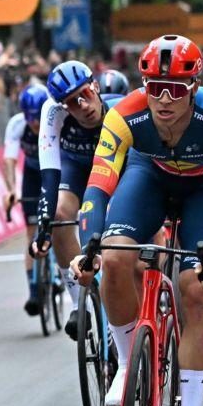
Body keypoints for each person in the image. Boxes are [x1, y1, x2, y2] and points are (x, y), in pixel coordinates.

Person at [72, 35, 203, 406]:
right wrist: (87, 245)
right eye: (154, 86)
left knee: (195, 290)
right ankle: (127, 365)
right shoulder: (125, 112)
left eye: (177, 89)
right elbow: (98, 183)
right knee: (113, 258)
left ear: (195, 86)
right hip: (149, 177)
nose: (164, 99)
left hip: (202, 190)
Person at [34, 60, 122, 339]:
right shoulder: (52, 113)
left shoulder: (119, 107)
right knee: (60, 214)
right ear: (62, 106)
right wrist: (43, 225)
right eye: (72, 102)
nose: (82, 105)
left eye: (85, 94)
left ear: (95, 86)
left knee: (114, 222)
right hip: (74, 167)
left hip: (111, 167)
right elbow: (49, 173)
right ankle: (77, 301)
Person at [3, 84, 47, 315]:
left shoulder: (55, 119)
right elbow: (9, 160)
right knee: (31, 232)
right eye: (31, 119)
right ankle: (33, 289)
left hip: (55, 171)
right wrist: (11, 189)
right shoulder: (17, 124)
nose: (36, 124)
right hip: (32, 173)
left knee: (57, 226)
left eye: (38, 118)